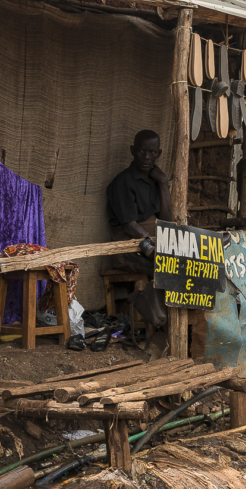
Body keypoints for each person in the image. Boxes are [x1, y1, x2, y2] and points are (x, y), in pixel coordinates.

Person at [104, 130, 174, 345]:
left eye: (152, 152)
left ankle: (176, 324)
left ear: (158, 154)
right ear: (133, 151)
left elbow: (166, 220)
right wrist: (153, 246)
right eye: (142, 151)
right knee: (164, 268)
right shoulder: (123, 182)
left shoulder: (155, 181)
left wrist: (163, 182)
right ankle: (158, 321)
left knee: (181, 266)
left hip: (149, 243)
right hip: (125, 247)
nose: (146, 157)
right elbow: (130, 226)